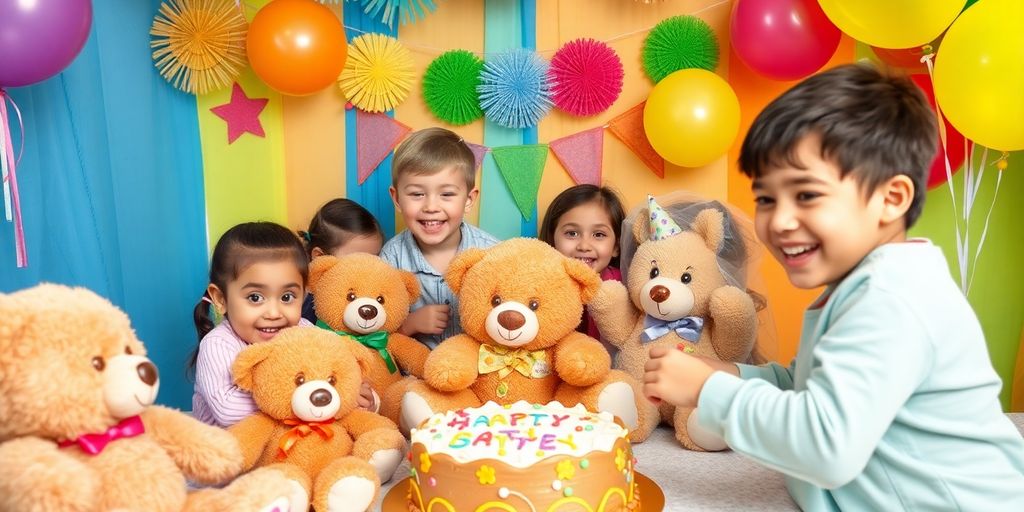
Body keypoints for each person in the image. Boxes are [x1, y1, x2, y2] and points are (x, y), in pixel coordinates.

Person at [643, 63, 1024, 510]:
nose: (780, 220)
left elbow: (827, 446)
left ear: (891, 199)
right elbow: (809, 385)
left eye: (806, 195)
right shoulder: (860, 287)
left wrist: (708, 391)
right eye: (767, 199)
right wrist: (729, 374)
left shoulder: (890, 301)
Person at [190, 222, 373, 428]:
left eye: (287, 297)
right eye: (255, 297)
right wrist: (307, 396)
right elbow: (227, 411)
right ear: (220, 299)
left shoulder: (304, 331)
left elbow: (338, 368)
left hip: (289, 439)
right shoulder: (219, 344)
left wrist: (354, 393)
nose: (274, 313)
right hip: (230, 443)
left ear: (304, 293)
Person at [380, 127, 498, 349]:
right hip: (417, 367)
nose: (431, 207)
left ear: (468, 200)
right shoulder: (392, 258)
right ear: (397, 199)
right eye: (417, 194)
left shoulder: (491, 254)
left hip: (476, 365)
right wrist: (410, 324)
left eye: (447, 194)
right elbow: (376, 332)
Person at [539, 184, 626, 357]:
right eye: (572, 233)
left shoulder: (624, 288)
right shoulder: (542, 285)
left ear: (616, 246)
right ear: (552, 239)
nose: (584, 246)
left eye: (599, 235)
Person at [298, 198, 384, 323]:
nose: (368, 268)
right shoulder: (306, 302)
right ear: (320, 257)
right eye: (356, 261)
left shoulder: (374, 294)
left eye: (375, 258)